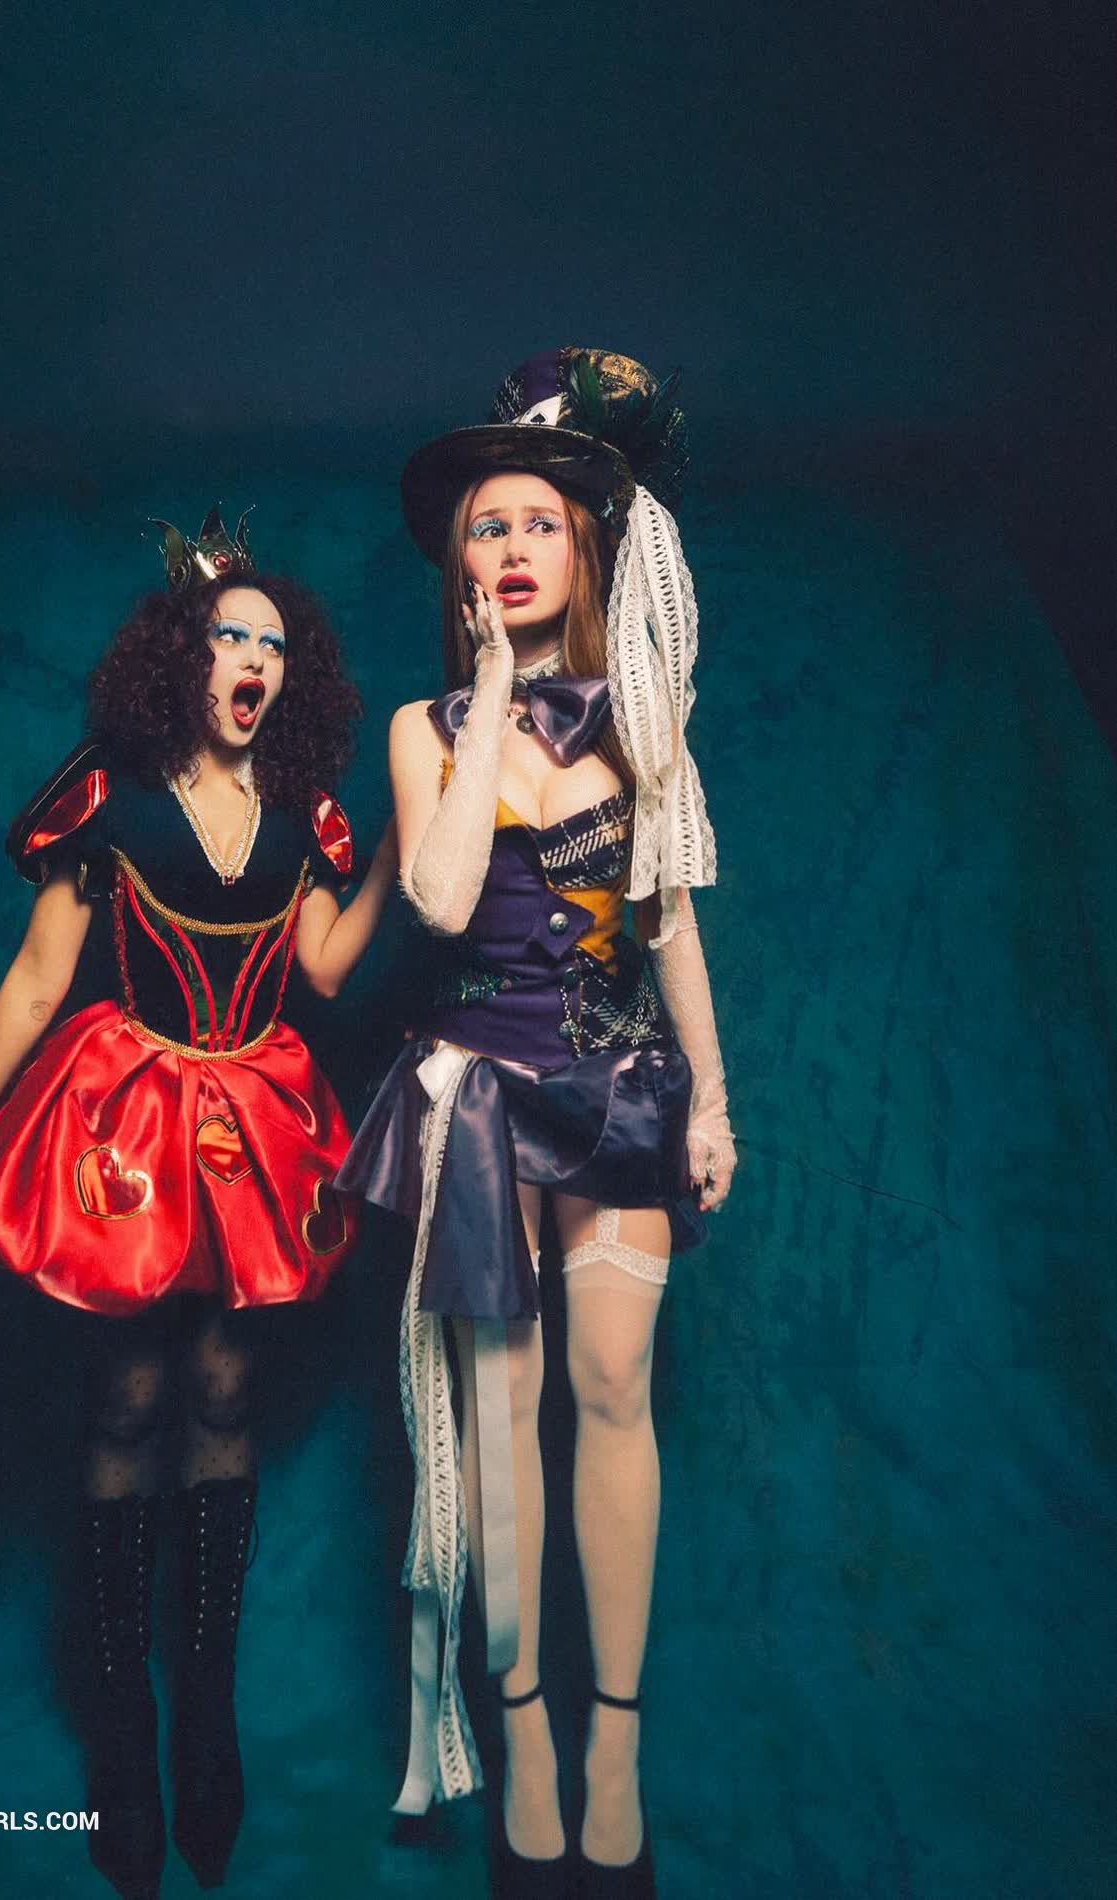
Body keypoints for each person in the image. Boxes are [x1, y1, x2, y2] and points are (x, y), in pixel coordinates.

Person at [0, 508, 398, 1899]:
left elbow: (328, 970)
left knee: (224, 1389)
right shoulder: (108, 798)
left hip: (255, 1120)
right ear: (183, 655)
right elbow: (40, 975)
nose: (254, 661)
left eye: (273, 645)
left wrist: (408, 846)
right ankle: (123, 1732)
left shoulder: (305, 811)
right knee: (127, 1397)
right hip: (127, 1119)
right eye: (231, 636)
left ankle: (206, 1716)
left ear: (293, 674)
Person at [338, 350, 736, 1897]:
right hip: (480, 1103)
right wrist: (494, 693)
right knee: (499, 1432)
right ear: (459, 564)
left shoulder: (646, 725)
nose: (508, 547)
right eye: (483, 529)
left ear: (585, 549)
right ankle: (523, 1742)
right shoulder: (421, 726)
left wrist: (712, 1097)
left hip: (621, 1093)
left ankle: (612, 1741)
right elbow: (438, 902)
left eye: (536, 525)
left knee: (611, 1390)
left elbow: (671, 922)